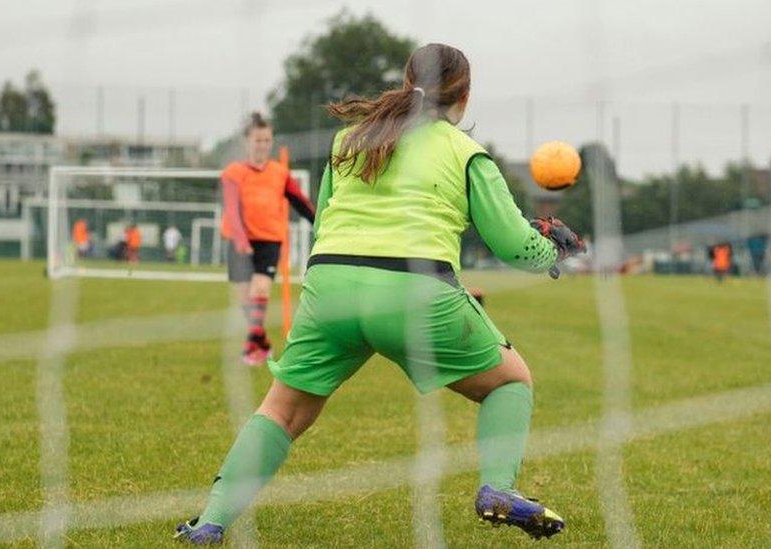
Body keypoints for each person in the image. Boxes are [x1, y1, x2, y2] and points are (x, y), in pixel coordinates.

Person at [175, 43, 582, 544]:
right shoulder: (466, 151)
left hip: (331, 289)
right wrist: (552, 252)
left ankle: (209, 523)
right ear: (465, 96)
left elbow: (326, 225)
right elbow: (512, 244)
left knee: (281, 411)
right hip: (415, 295)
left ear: (407, 80)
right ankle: (497, 489)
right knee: (509, 382)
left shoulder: (350, 140)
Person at [220, 112, 315, 366]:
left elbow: (301, 203)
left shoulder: (280, 173)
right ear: (247, 142)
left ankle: (251, 348)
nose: (262, 145)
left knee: (259, 290)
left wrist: (320, 223)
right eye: (257, 140)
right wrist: (240, 239)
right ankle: (261, 342)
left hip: (269, 241)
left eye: (266, 140)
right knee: (245, 300)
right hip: (239, 241)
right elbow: (231, 209)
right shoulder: (233, 173)